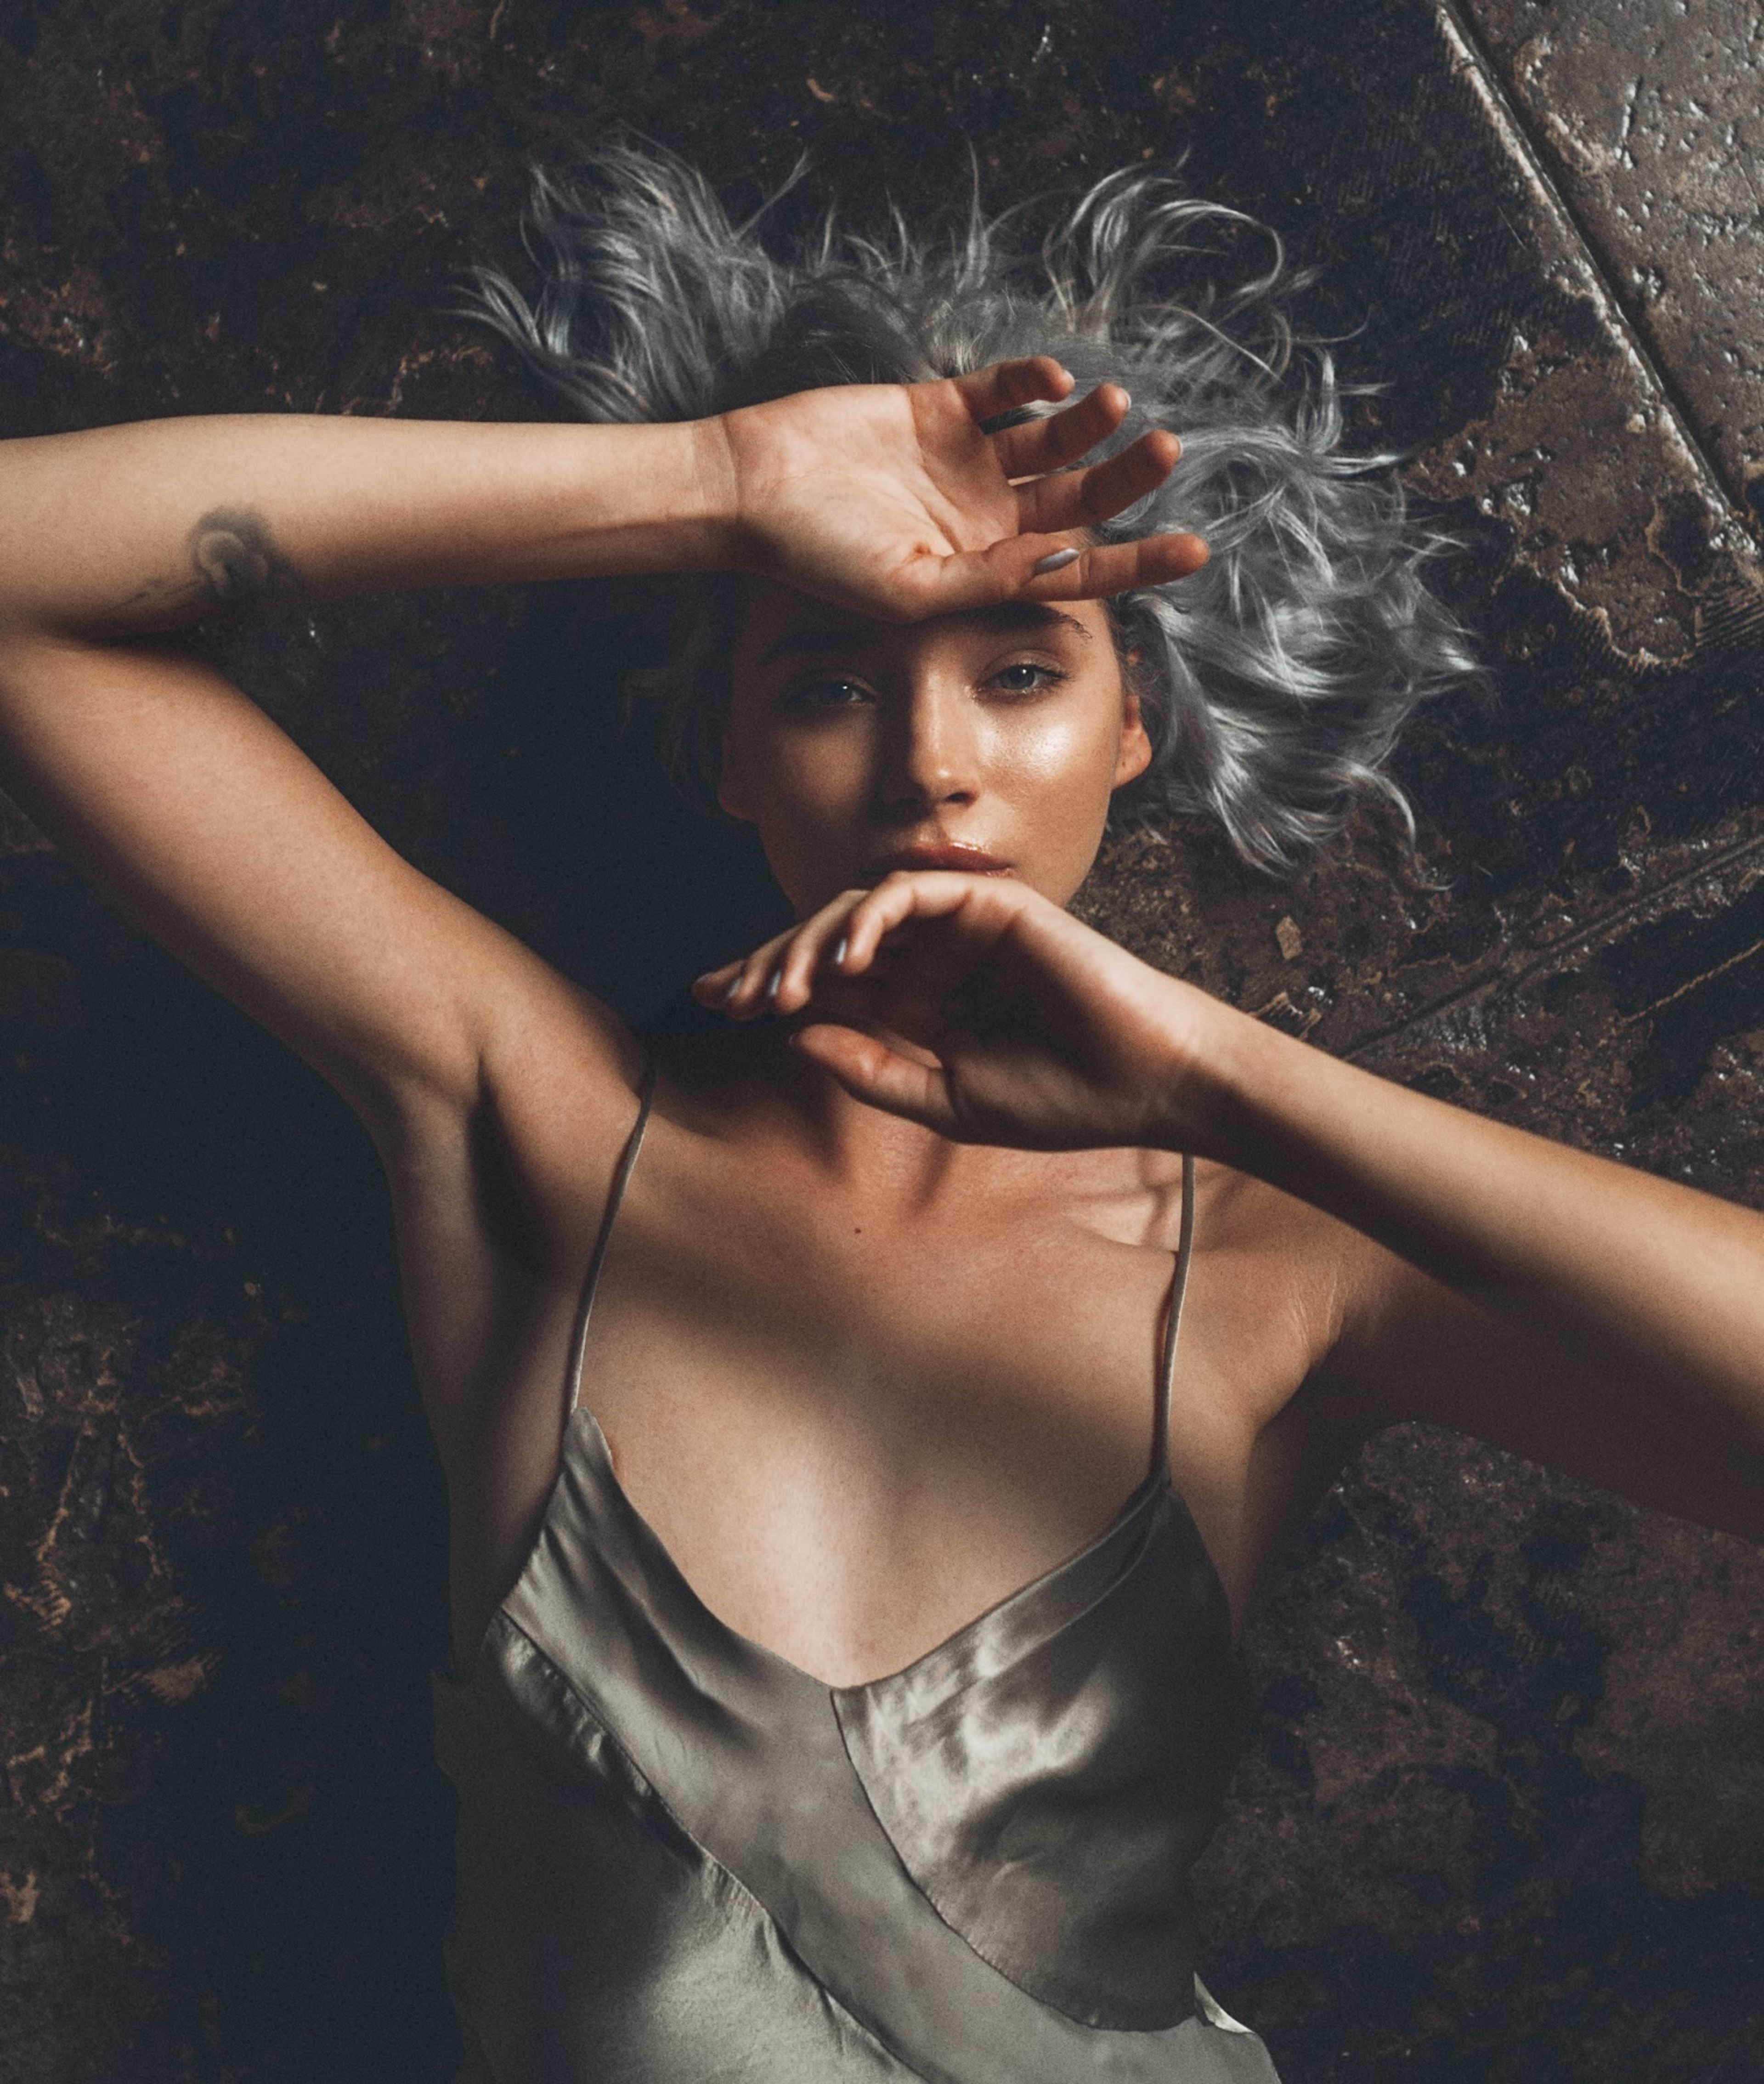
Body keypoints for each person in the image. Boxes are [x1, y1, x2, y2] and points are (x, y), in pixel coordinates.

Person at [0, 140, 1758, 2083]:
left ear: (1137, 729)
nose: (934, 762)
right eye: (831, 684)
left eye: (1021, 671)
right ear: (730, 752)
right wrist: (717, 487)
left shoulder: (1275, 1257)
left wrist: (1219, 1081)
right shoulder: (538, 1126)